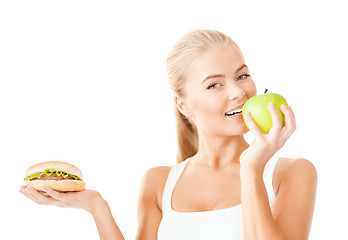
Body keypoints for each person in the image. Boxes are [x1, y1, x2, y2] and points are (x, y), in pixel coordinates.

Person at [20, 29, 317, 240]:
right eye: (215, 85)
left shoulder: (290, 174)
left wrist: (251, 169)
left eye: (242, 75)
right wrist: (96, 206)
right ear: (183, 105)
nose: (239, 92)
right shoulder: (159, 183)